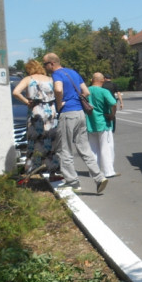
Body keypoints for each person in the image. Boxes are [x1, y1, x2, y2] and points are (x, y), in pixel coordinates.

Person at [43, 52, 108, 194]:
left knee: (64, 149)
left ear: (52, 64)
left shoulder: (57, 74)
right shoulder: (72, 72)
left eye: (45, 64)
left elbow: (58, 89)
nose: (45, 67)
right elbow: (86, 92)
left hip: (67, 114)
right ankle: (99, 177)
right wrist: (75, 100)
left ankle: (73, 182)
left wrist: (60, 104)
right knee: (84, 148)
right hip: (80, 113)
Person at [12, 59, 61, 178]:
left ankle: (31, 172)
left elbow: (16, 92)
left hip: (36, 112)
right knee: (51, 142)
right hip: (51, 113)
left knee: (34, 142)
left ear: (29, 69)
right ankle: (52, 172)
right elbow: (59, 92)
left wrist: (27, 102)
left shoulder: (29, 79)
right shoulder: (50, 79)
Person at [86, 72, 119, 178]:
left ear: (92, 80)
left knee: (92, 148)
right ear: (102, 80)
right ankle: (108, 171)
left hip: (90, 122)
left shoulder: (86, 91)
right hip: (103, 122)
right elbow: (113, 103)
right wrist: (112, 115)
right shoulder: (104, 91)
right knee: (106, 147)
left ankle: (94, 172)